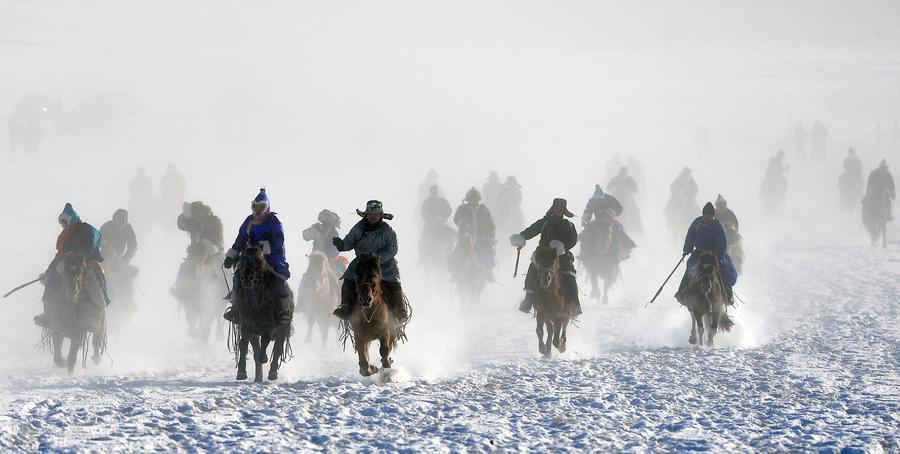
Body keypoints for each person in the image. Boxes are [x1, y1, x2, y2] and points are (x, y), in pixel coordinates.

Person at [331, 200, 410, 324]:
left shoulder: (387, 230)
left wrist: (378, 258)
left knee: (394, 282)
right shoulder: (358, 228)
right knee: (348, 280)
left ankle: (400, 310)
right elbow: (349, 242)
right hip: (361, 264)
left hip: (385, 264)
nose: (373, 216)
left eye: (376, 214)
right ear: (366, 214)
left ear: (380, 215)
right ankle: (345, 307)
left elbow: (393, 248)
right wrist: (341, 245)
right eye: (370, 214)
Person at [222, 188, 292, 325]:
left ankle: (284, 310)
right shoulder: (249, 220)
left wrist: (265, 247)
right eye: (256, 206)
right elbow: (241, 238)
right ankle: (236, 307)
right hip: (251, 256)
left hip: (272, 257)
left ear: (267, 207)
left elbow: (279, 240)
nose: (258, 210)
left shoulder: (273, 221)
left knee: (279, 278)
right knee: (238, 276)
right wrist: (232, 255)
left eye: (261, 206)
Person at [35, 203, 108, 328]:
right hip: (68, 264)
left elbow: (91, 243)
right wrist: (49, 271)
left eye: (65, 222)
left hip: (87, 263)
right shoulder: (64, 236)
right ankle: (48, 314)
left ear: (71, 219)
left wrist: (80, 257)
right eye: (62, 223)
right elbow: (60, 255)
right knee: (52, 280)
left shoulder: (86, 229)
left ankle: (97, 316)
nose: (63, 225)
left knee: (93, 284)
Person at [510, 198, 582, 317]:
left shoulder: (569, 225)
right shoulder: (544, 222)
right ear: (553, 208)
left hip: (561, 255)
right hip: (543, 253)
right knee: (533, 269)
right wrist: (521, 237)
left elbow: (573, 240)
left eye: (561, 209)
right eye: (557, 208)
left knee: (569, 274)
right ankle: (528, 300)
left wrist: (562, 247)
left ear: (564, 210)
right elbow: (531, 231)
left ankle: (574, 303)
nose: (559, 210)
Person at [675, 202, 738, 304]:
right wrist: (687, 249)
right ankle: (683, 291)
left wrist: (719, 257)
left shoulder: (718, 226)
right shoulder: (697, 223)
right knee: (690, 266)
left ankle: (728, 293)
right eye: (705, 215)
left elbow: (722, 243)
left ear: (713, 216)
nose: (707, 217)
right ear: (703, 214)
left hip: (715, 254)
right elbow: (690, 236)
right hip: (699, 253)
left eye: (710, 215)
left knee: (727, 270)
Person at [453, 188, 497, 277]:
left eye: (475, 198)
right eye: (471, 198)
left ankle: (488, 273)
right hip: (465, 238)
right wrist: (462, 224)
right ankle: (455, 274)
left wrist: (491, 235)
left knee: (487, 255)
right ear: (468, 199)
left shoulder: (483, 209)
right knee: (457, 254)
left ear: (478, 199)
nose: (473, 200)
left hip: (482, 238)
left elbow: (491, 224)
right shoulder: (462, 208)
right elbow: (456, 219)